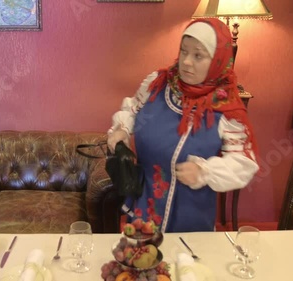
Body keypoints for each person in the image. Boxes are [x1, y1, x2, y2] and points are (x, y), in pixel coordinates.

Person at [107, 18, 259, 233]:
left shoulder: (226, 108)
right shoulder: (157, 85)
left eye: (198, 55)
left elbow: (243, 163)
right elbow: (132, 110)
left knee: (187, 266)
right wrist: (122, 130)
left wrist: (205, 171)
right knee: (142, 263)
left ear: (217, 60)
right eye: (184, 51)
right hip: (144, 210)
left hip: (192, 221)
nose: (186, 62)